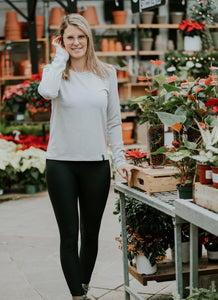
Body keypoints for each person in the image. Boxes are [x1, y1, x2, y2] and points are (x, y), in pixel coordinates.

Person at [38, 13, 138, 300]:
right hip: (61, 164)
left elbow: (114, 121)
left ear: (89, 39)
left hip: (96, 164)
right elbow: (46, 92)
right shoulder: (54, 71)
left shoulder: (106, 73)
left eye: (81, 36)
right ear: (62, 41)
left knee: (90, 234)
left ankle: (82, 286)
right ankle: (77, 296)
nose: (76, 42)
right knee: (69, 236)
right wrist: (58, 58)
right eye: (70, 37)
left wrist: (119, 159)